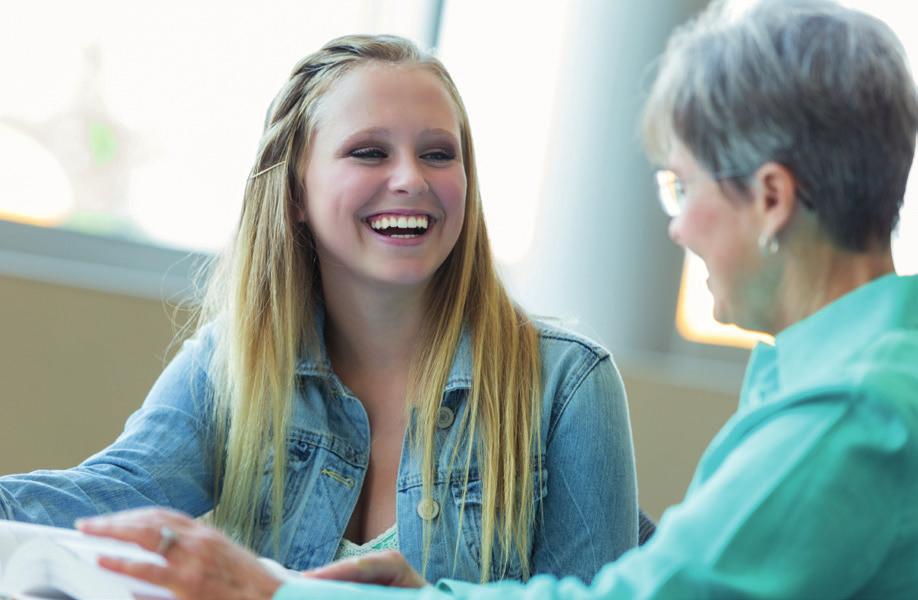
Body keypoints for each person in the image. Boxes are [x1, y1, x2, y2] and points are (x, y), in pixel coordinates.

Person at [77, 0, 918, 598]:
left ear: (771, 200)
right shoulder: (816, 384)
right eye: (368, 151)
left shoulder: (853, 411)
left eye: (680, 186)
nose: (677, 228)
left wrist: (273, 592)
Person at [0, 35, 639, 584]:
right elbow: (106, 498)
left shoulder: (568, 386)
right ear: (296, 192)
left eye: (439, 154)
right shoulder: (235, 364)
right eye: (369, 152)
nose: (412, 178)